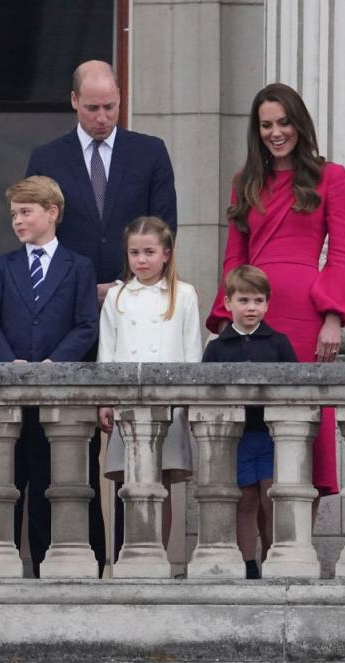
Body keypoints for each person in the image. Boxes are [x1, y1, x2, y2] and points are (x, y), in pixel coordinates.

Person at [26, 60, 178, 571]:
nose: (102, 117)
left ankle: (134, 558)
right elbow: (39, 235)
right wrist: (78, 288)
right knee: (65, 445)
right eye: (92, 108)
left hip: (134, 314)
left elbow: (164, 230)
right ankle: (75, 558)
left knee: (135, 446)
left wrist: (126, 287)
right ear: (74, 102)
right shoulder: (46, 156)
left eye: (110, 106)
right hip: (68, 319)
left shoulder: (149, 152)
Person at [205, 83, 345, 507]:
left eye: (284, 122)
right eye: (266, 125)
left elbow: (340, 255)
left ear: (299, 123)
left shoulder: (332, 177)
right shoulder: (244, 182)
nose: (276, 132)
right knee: (252, 442)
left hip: (306, 320)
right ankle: (255, 563)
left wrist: (333, 317)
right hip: (254, 317)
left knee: (303, 435)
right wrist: (224, 324)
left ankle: (298, 558)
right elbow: (233, 260)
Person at [0, 176, 98, 577]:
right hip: (11, 396)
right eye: (13, 214)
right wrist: (9, 362)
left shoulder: (78, 266)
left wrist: (54, 363)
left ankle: (51, 570)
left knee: (54, 487)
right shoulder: (2, 266)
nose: (17, 221)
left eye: (25, 212)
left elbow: (85, 325)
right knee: (7, 487)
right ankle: (5, 570)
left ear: (52, 213)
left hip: (58, 399)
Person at [98, 216, 201, 552]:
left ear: (166, 254)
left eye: (149, 252)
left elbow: (191, 354)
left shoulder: (183, 295)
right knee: (130, 483)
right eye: (134, 253)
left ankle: (159, 555)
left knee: (162, 484)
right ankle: (130, 555)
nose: (141, 260)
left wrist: (188, 403)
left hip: (169, 404)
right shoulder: (117, 297)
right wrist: (104, 400)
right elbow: (107, 353)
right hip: (127, 403)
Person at [202, 265, 298, 579]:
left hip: (271, 436)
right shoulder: (217, 348)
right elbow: (204, 394)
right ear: (228, 303)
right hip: (236, 438)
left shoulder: (279, 343)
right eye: (243, 300)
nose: (251, 307)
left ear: (267, 304)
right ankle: (248, 564)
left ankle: (273, 559)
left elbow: (296, 389)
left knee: (271, 500)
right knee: (245, 501)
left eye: (258, 300)